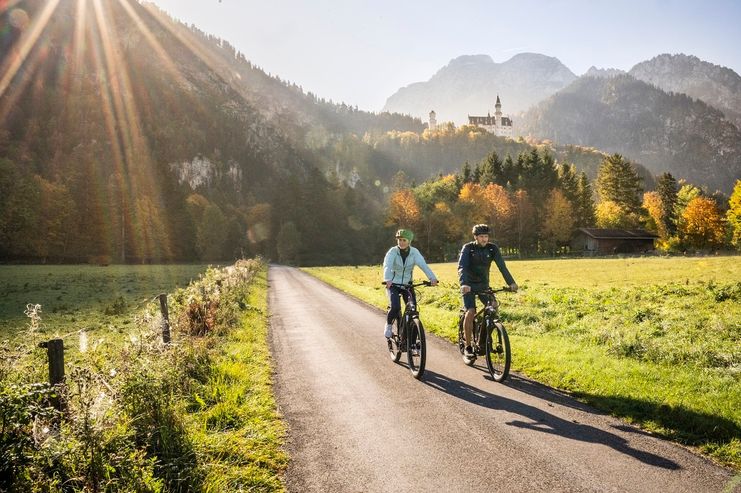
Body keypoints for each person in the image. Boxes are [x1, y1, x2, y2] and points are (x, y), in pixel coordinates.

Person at [458, 224, 518, 356]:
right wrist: (464, 284)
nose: (484, 239)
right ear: (475, 237)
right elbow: (462, 267)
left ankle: (482, 340)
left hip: (484, 285)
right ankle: (468, 346)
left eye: (486, 236)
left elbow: (502, 266)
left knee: (493, 306)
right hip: (468, 286)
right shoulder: (468, 248)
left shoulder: (492, 248)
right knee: (471, 311)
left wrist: (511, 282)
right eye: (481, 237)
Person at [382, 229, 438, 338]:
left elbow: (423, 265)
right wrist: (387, 279)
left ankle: (413, 343)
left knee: (413, 310)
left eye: (404, 240)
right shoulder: (393, 251)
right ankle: (388, 325)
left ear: (409, 241)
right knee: (395, 307)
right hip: (393, 285)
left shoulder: (414, 252)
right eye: (399, 240)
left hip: (407, 285)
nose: (401, 242)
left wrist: (432, 278)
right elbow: (387, 265)